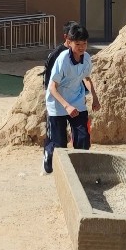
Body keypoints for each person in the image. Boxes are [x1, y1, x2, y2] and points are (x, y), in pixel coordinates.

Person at [43, 27, 98, 174]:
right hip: (58, 103)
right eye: (78, 44)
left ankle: (80, 170)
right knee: (59, 144)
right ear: (70, 42)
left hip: (77, 102)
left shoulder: (87, 58)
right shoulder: (63, 59)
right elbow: (52, 87)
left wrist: (95, 97)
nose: (81, 47)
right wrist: (66, 106)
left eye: (84, 44)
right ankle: (49, 155)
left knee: (83, 137)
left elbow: (86, 78)